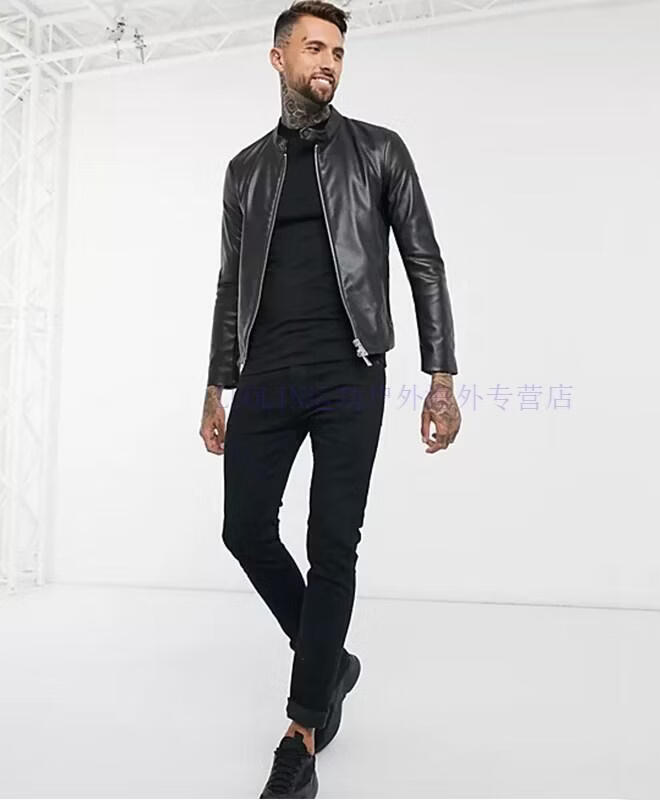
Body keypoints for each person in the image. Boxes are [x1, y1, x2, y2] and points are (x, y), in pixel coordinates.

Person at [199, 1, 461, 795]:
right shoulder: (245, 170)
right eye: (315, 47)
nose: (330, 62)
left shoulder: (379, 150)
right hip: (267, 374)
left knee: (331, 542)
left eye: (339, 52)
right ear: (278, 58)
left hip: (351, 371)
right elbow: (229, 283)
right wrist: (215, 384)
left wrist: (442, 376)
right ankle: (330, 659)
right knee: (244, 528)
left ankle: (303, 731)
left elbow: (423, 260)